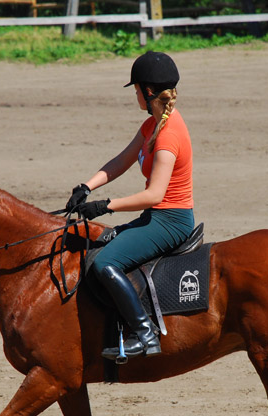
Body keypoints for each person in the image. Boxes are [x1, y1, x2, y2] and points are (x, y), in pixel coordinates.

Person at [65, 51, 195, 359]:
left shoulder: (168, 135)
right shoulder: (153, 125)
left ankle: (145, 334)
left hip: (171, 221)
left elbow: (154, 196)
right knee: (100, 237)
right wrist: (87, 185)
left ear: (148, 92)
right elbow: (123, 160)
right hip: (158, 216)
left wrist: (106, 205)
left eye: (136, 89)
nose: (134, 94)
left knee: (105, 263)